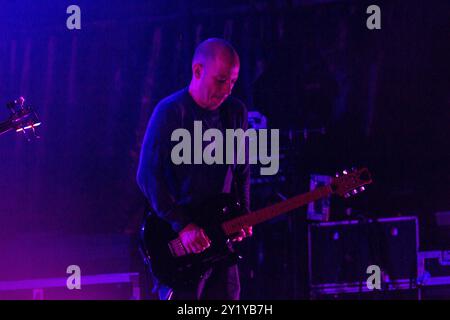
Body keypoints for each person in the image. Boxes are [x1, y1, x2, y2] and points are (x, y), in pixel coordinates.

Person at [136, 38, 252, 300]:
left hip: (221, 242)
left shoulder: (235, 112)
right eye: (221, 80)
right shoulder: (170, 112)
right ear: (197, 71)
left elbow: (242, 170)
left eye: (233, 82)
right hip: (180, 243)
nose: (227, 90)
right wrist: (182, 225)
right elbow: (146, 177)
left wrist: (244, 213)